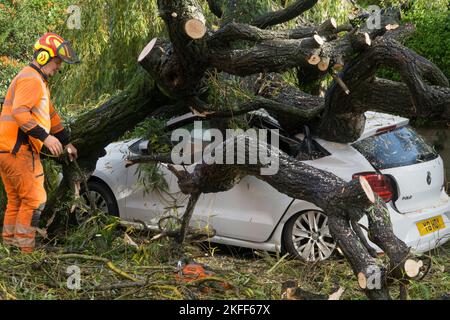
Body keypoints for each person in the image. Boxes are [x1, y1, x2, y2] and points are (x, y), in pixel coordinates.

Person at [0, 32, 80, 253]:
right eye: (57, 62)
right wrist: (45, 138)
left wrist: (67, 143)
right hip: (19, 150)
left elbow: (51, 116)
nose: (58, 67)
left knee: (17, 200)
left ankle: (10, 249)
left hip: (7, 151)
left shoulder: (37, 81)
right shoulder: (31, 79)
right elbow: (19, 113)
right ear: (44, 57)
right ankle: (26, 254)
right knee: (35, 200)